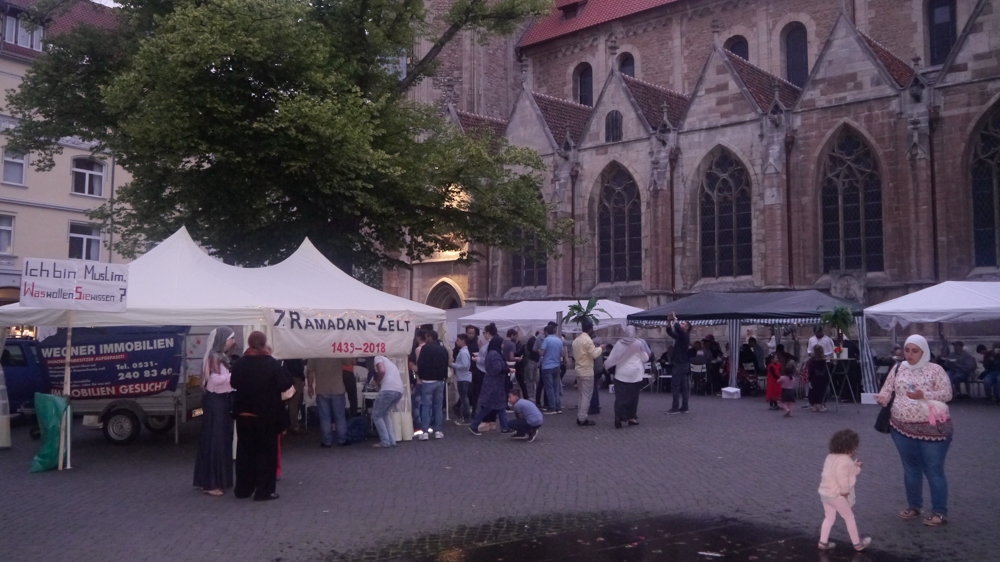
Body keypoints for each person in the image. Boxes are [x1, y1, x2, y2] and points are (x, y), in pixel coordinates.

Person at [877, 334, 954, 527]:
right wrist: (882, 397)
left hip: (933, 428)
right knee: (911, 468)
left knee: (933, 469)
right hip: (901, 427)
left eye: (915, 351)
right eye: (907, 350)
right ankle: (914, 506)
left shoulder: (935, 369)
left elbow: (947, 394)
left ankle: (939, 511)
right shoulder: (897, 368)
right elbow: (888, 389)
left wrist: (924, 394)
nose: (910, 354)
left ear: (924, 351)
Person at [230, 331, 293, 501]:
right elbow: (284, 384)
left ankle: (243, 489)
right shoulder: (271, 364)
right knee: (266, 453)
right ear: (264, 344)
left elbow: (233, 383)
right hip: (266, 415)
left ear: (249, 344)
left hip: (244, 414)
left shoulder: (240, 363)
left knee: (244, 452)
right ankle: (263, 491)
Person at [193, 327, 236, 497]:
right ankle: (210, 483)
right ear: (223, 340)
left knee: (215, 440)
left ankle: (210, 480)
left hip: (217, 402)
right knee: (216, 441)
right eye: (231, 338)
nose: (233, 342)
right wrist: (233, 377)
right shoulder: (215, 357)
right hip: (216, 402)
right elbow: (215, 380)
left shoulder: (218, 357)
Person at [817, 429, 871, 552]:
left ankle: (823, 542)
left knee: (829, 518)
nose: (856, 450)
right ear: (850, 447)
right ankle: (857, 544)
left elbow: (843, 472)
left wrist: (855, 467)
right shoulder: (845, 461)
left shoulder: (830, 457)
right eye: (855, 447)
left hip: (825, 493)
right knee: (849, 517)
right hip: (837, 495)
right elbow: (843, 479)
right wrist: (845, 493)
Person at [605, 325, 649, 429]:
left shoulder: (619, 343)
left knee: (620, 397)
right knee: (633, 397)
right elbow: (645, 358)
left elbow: (613, 356)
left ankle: (618, 417)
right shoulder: (638, 343)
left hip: (621, 374)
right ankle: (631, 418)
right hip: (635, 375)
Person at [469, 334, 513, 436]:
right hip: (495, 384)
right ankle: (474, 425)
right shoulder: (495, 354)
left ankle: (504, 427)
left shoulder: (492, 353)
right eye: (502, 343)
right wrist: (508, 370)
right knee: (491, 406)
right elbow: (497, 369)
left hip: (493, 383)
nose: (503, 345)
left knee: (500, 406)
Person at [307, 357, 349, 447]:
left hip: (322, 389)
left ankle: (327, 441)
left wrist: (310, 386)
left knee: (325, 417)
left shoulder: (315, 350)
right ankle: (342, 439)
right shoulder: (337, 350)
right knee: (340, 416)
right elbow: (349, 362)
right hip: (338, 389)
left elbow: (309, 370)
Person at [416, 329, 449, 440]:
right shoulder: (443, 349)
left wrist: (420, 376)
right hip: (440, 380)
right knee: (438, 406)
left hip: (428, 380)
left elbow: (420, 364)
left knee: (426, 406)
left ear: (430, 337)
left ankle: (425, 431)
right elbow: (446, 364)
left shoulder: (425, 349)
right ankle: (438, 430)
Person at [571, 318, 603, 427]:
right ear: (591, 329)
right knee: (586, 396)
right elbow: (594, 355)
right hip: (587, 371)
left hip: (578, 370)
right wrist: (600, 348)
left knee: (581, 395)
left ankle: (580, 415)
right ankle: (582, 418)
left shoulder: (576, 340)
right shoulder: (588, 340)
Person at [371, 356, 404, 448]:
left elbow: (381, 371)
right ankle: (391, 440)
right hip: (399, 391)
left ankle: (385, 441)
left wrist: (377, 382)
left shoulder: (378, 358)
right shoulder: (389, 362)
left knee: (376, 415)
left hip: (388, 389)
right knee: (385, 414)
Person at [666, 312, 691, 414]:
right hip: (682, 363)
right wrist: (668, 321)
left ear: (687, 328)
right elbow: (670, 332)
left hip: (680, 363)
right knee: (683, 386)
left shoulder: (684, 335)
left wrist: (675, 319)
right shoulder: (681, 336)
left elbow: (677, 328)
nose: (682, 324)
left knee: (675, 385)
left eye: (684, 324)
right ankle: (684, 407)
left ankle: (675, 407)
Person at [539, 323, 564, 414]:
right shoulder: (559, 340)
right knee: (556, 387)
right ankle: (558, 406)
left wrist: (539, 351)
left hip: (547, 366)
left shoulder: (546, 340)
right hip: (557, 365)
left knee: (549, 387)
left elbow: (542, 353)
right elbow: (561, 353)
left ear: (546, 332)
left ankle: (552, 407)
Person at [452, 334, 473, 424]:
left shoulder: (463, 353)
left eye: (458, 340)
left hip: (463, 378)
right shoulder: (464, 351)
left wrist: (453, 364)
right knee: (464, 398)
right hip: (464, 377)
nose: (456, 342)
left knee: (464, 398)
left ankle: (466, 417)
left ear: (463, 341)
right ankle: (466, 417)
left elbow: (465, 365)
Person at [281, 359, 306, 434]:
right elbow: (300, 369)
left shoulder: (285, 358)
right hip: (296, 380)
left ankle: (284, 425)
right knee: (294, 404)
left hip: (285, 380)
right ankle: (294, 425)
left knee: (284, 403)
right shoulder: (297, 358)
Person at [807, 345, 830, 412]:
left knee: (814, 391)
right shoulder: (825, 359)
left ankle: (814, 405)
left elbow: (810, 370)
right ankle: (820, 405)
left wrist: (809, 378)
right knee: (822, 391)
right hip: (823, 377)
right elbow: (827, 368)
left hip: (814, 377)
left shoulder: (812, 360)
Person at [522, 330, 542, 403]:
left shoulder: (535, 340)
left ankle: (532, 395)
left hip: (535, 361)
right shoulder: (532, 340)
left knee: (534, 379)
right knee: (529, 379)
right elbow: (535, 350)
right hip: (530, 361)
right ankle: (530, 395)